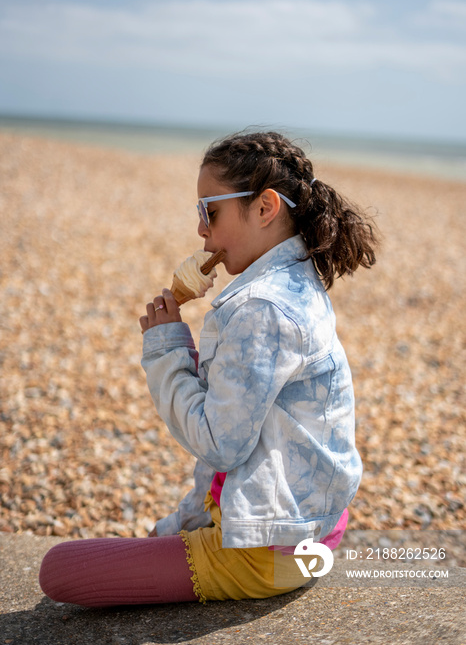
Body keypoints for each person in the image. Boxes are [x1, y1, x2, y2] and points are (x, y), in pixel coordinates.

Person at [39, 130, 378, 607]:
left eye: (209, 211)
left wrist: (167, 352)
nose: (201, 230)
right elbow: (240, 429)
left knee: (59, 571)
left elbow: (221, 444)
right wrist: (180, 524)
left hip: (267, 552)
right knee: (154, 537)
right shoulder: (295, 280)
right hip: (313, 530)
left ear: (264, 208)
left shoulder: (262, 308)